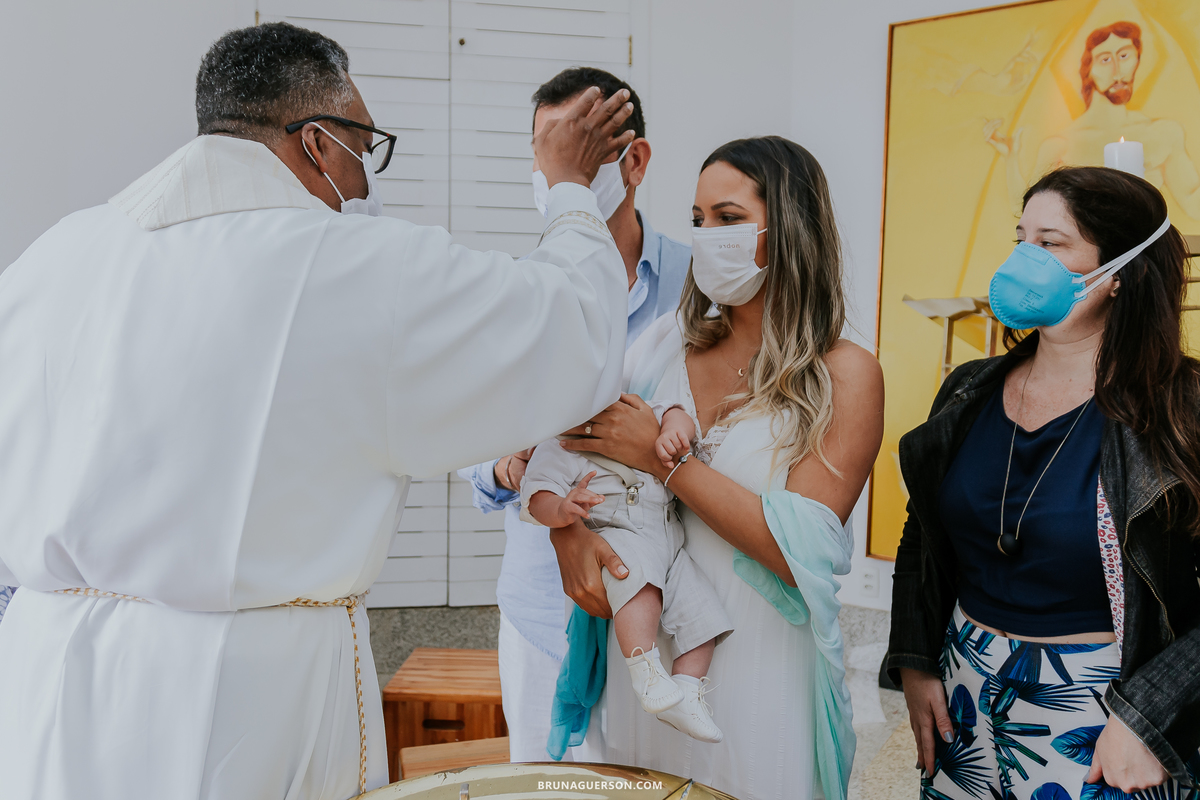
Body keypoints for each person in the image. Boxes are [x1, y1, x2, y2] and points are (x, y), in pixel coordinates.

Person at [0, 23, 635, 800]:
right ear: (317, 143)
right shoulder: (348, 266)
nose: (367, 183)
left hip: (48, 685)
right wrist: (571, 187)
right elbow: (568, 326)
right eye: (367, 149)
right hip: (236, 701)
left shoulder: (55, 255)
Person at [551, 136, 885, 800]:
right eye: (698, 220)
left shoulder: (844, 374)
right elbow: (576, 453)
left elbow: (798, 552)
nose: (706, 238)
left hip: (757, 667)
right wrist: (570, 538)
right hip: (642, 662)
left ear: (787, 229)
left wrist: (661, 460)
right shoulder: (659, 347)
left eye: (728, 219)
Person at [887, 166, 1200, 800]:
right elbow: (923, 531)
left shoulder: (1182, 406)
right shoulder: (969, 389)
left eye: (1051, 243)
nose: (1024, 259)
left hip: (1105, 712)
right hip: (963, 690)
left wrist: (1145, 717)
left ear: (1118, 272)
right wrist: (918, 659)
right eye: (1020, 238)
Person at [457, 66, 691, 763]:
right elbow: (468, 435)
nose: (553, 172)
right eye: (543, 153)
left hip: (668, 600)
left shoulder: (698, 287)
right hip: (542, 608)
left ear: (635, 160)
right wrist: (505, 463)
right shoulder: (513, 290)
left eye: (577, 151)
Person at [520, 403, 733, 743]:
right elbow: (535, 495)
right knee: (638, 588)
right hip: (619, 529)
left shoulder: (634, 409)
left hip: (669, 534)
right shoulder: (558, 444)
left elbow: (675, 411)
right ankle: (645, 671)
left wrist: (673, 432)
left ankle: (688, 692)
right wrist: (562, 508)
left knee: (703, 610)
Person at [985, 21, 1200, 218]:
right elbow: (1027, 210)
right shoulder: (1061, 145)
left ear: (1137, 60)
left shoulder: (1163, 133)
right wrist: (1011, 158)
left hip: (1145, 253)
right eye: (1105, 59)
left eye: (1124, 56)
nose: (1117, 69)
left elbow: (1192, 200)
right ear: (1088, 70)